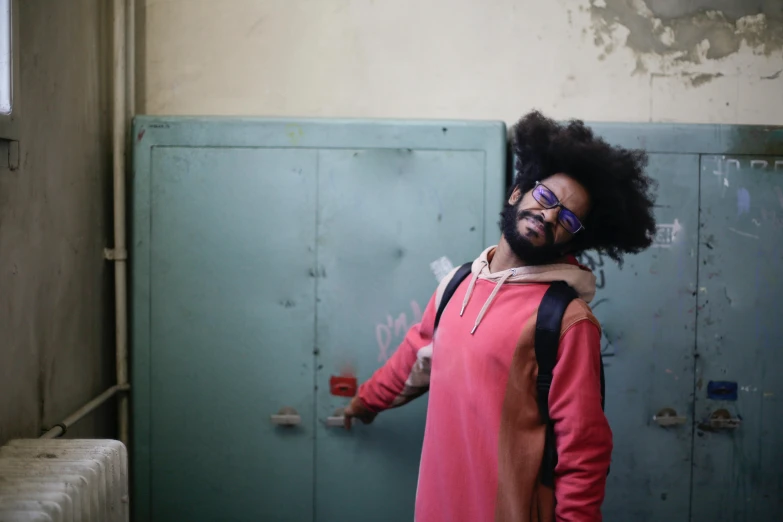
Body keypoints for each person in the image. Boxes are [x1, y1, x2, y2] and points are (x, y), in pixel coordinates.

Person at [343, 110, 657, 522]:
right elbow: (417, 357)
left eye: (567, 218)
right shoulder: (456, 284)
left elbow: (583, 448)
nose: (548, 216)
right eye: (546, 198)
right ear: (518, 194)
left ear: (573, 238)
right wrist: (366, 402)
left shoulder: (567, 320)